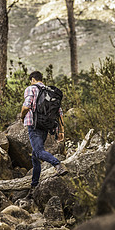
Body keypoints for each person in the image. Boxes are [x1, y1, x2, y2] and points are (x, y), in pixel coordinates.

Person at [20, 71, 68, 199]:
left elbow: (26, 106)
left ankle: (57, 164)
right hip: (45, 126)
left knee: (39, 152)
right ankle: (34, 185)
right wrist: (61, 131)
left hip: (34, 125)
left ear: (33, 79)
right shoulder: (50, 92)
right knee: (35, 157)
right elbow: (59, 113)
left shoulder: (31, 89)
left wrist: (21, 116)